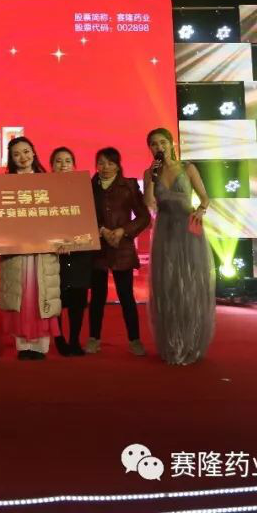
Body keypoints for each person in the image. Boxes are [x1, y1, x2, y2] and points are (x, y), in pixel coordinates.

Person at [144, 128, 214, 365]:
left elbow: (205, 198)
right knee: (168, 285)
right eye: (154, 144)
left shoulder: (187, 168)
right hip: (165, 232)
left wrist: (200, 211)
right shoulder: (150, 172)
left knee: (190, 284)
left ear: (171, 143)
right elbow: (149, 202)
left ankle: (191, 341)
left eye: (162, 142)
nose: (159, 147)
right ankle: (172, 342)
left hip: (188, 230)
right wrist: (153, 178)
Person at [0, 137, 61, 361]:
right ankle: (23, 345)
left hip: (43, 252)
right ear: (11, 159)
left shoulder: (48, 182)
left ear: (33, 153)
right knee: (21, 296)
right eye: (16, 154)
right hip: (17, 252)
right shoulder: (4, 185)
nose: (22, 157)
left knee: (41, 294)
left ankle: (41, 346)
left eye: (26, 152)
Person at [87, 146, 152, 357]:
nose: (105, 167)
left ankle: (134, 340)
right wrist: (102, 230)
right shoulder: (89, 187)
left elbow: (144, 217)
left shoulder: (129, 186)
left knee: (126, 296)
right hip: (97, 248)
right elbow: (83, 215)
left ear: (118, 165)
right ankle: (94, 338)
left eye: (110, 163)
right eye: (101, 163)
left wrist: (124, 230)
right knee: (97, 297)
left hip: (122, 247)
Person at [49, 147, 93, 357]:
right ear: (52, 166)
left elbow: (90, 218)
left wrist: (75, 241)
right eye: (58, 161)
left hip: (80, 253)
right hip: (53, 253)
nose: (63, 164)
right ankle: (59, 340)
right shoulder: (44, 190)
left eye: (67, 160)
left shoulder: (85, 189)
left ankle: (75, 340)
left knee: (77, 297)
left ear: (74, 165)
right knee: (56, 298)